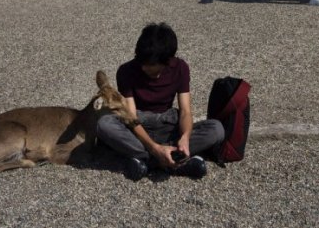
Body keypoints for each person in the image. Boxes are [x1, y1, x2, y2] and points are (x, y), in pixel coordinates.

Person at [96, 23, 225, 180]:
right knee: (104, 124)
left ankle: (146, 161)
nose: (144, 68)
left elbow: (185, 111)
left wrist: (185, 137)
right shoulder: (126, 71)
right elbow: (130, 117)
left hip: (167, 124)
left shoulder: (180, 68)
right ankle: (173, 162)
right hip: (138, 126)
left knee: (216, 129)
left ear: (167, 61)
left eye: (151, 65)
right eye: (142, 62)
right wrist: (155, 148)